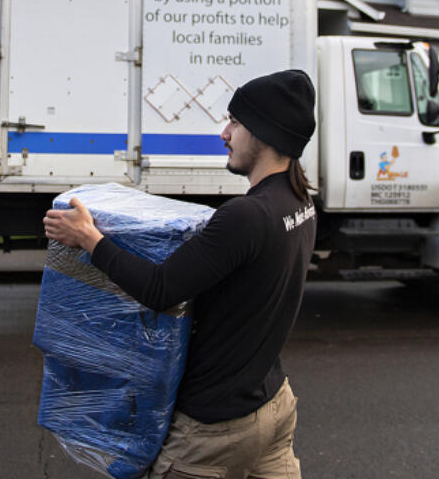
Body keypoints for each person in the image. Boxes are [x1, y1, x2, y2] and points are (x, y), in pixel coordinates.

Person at [44, 68, 317, 479]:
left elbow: (160, 289)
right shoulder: (300, 203)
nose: (225, 133)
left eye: (236, 122)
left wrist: (89, 239)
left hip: (216, 428)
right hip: (272, 404)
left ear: (263, 132)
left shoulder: (247, 216)